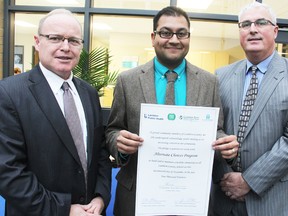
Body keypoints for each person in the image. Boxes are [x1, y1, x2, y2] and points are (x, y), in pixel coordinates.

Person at [105, 6, 239, 216]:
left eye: (182, 33)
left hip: (191, 196)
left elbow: (217, 130)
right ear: (153, 37)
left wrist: (225, 145)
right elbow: (113, 129)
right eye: (166, 32)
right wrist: (119, 142)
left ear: (188, 37)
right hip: (138, 196)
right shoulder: (127, 80)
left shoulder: (209, 82)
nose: (174, 40)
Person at [0, 9, 111, 216]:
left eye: (74, 41)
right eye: (55, 38)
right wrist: (64, 210)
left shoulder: (89, 93)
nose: (65, 47)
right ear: (37, 41)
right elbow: (8, 171)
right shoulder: (9, 93)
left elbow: (101, 153)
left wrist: (100, 196)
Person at [211, 2, 288, 216]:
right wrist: (226, 175)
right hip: (223, 198)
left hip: (272, 200)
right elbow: (212, 126)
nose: (252, 29)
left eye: (260, 22)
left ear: (275, 31)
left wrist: (249, 181)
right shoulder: (220, 76)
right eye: (245, 24)